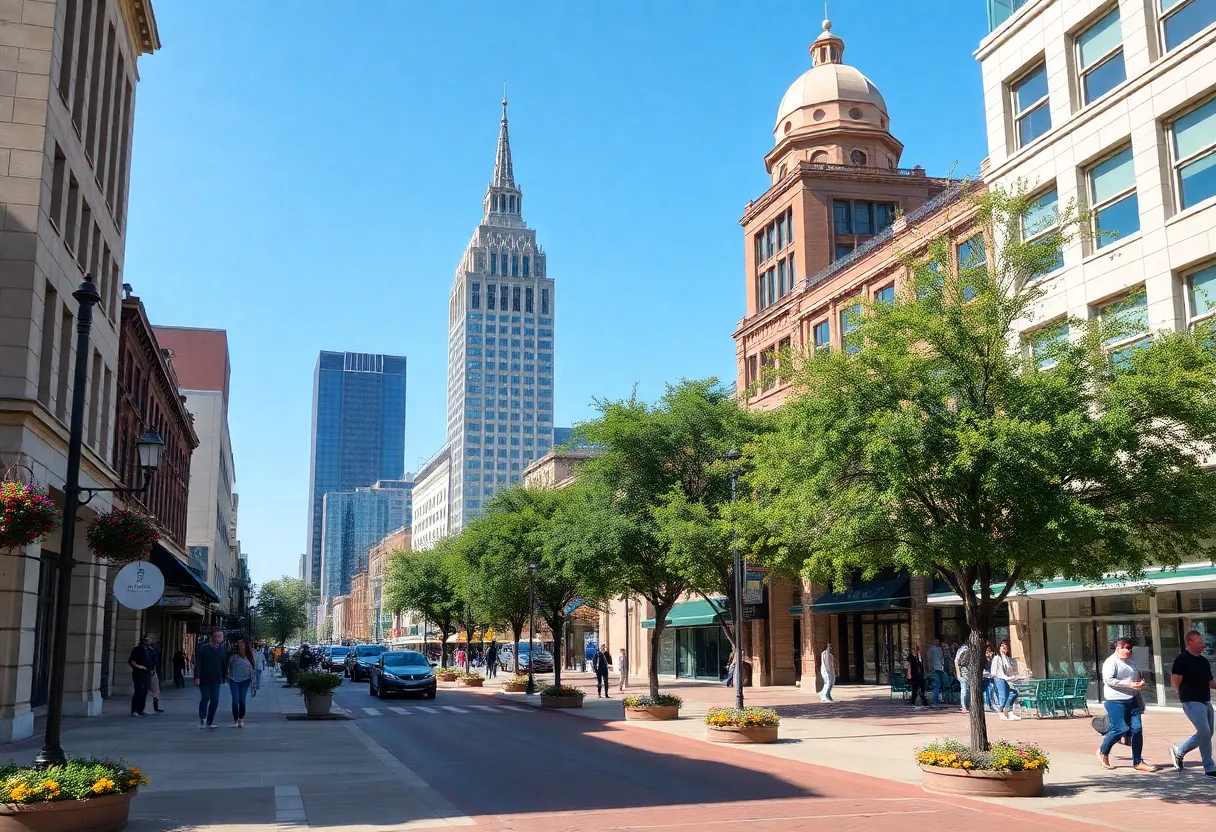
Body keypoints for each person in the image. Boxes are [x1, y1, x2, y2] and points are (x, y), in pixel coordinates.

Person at [1097, 637, 1154, 772]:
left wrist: (1140, 682)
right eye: (1126, 648)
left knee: (1137, 730)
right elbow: (1109, 680)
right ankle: (1102, 752)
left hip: (1132, 700)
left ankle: (1138, 761)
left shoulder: (1130, 663)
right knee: (1120, 729)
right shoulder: (1111, 662)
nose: (1129, 651)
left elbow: (1135, 678)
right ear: (1119, 648)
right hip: (1115, 701)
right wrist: (1128, 684)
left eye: (1130, 648)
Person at [1169, 630, 1216, 776]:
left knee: (1208, 734)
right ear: (1190, 641)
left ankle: (1183, 752)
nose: (1203, 644)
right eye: (1200, 641)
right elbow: (1175, 680)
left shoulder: (1203, 661)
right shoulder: (1182, 659)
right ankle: (1206, 764)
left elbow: (1210, 682)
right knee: (1204, 732)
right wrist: (1182, 693)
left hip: (1205, 700)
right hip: (1191, 701)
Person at [194, 628, 229, 729]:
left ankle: (210, 721)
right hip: (204, 678)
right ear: (212, 637)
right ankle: (203, 718)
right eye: (216, 636)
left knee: (215, 699)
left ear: (222, 638)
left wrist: (224, 677)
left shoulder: (222, 650)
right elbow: (199, 663)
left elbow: (224, 665)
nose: (218, 638)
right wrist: (197, 677)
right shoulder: (204, 648)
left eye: (220, 636)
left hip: (216, 679)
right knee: (205, 697)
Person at [990, 641, 1022, 720]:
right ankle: (1000, 711)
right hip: (1000, 679)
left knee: (1014, 693)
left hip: (1008, 679)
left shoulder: (1008, 659)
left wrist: (1017, 676)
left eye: (1005, 647)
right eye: (1002, 647)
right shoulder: (997, 658)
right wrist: (1010, 678)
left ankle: (1009, 711)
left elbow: (1011, 671)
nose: (1004, 649)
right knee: (1003, 696)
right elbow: (998, 672)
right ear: (999, 648)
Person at [228, 639, 256, 728]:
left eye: (243, 646)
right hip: (233, 679)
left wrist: (254, 682)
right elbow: (228, 665)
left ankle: (241, 718)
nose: (241, 648)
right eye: (240, 646)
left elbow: (253, 668)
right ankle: (236, 718)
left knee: (242, 700)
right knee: (235, 700)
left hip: (245, 680)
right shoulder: (234, 656)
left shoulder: (249, 657)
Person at [128, 634, 157, 717]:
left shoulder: (152, 651)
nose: (148, 641)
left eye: (149, 640)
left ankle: (141, 710)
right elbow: (131, 662)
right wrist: (140, 667)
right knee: (138, 691)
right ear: (143, 640)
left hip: (147, 673)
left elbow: (154, 663)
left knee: (144, 691)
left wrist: (153, 670)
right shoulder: (137, 650)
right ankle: (135, 710)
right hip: (138, 673)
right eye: (146, 640)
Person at [147, 636, 164, 713]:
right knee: (154, 690)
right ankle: (154, 708)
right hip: (151, 672)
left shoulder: (152, 650)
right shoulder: (153, 650)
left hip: (151, 672)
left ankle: (154, 707)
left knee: (154, 690)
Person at [926, 640, 946, 704]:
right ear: (933, 643)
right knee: (936, 683)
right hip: (935, 668)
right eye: (935, 642)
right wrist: (931, 667)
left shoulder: (940, 649)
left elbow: (942, 657)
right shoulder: (931, 650)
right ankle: (935, 699)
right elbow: (929, 659)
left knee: (940, 683)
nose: (937, 643)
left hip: (941, 668)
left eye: (938, 642)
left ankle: (939, 698)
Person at [955, 641, 972, 713]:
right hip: (966, 673)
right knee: (966, 690)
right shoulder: (969, 650)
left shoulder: (960, 650)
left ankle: (965, 706)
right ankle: (965, 706)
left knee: (965, 690)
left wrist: (958, 673)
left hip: (963, 672)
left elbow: (956, 661)